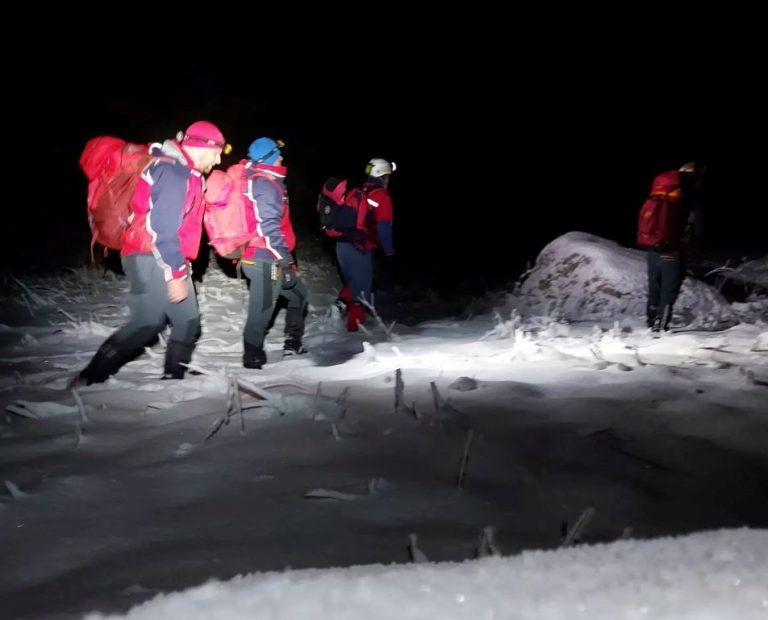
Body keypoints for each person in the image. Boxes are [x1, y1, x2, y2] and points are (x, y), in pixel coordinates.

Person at [73, 121, 228, 385]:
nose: (217, 160)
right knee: (147, 322)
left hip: (167, 258)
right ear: (200, 147)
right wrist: (176, 274)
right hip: (148, 257)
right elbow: (162, 230)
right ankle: (89, 377)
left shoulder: (186, 173)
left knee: (188, 322)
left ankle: (172, 380)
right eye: (215, 153)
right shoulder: (171, 172)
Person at [239, 137, 307, 368]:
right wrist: (285, 262)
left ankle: (292, 343)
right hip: (265, 259)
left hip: (268, 256)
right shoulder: (265, 184)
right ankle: (253, 358)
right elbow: (268, 228)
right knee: (262, 311)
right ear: (268, 157)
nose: (282, 156)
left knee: (298, 295)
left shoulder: (268, 180)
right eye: (278, 153)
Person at [639, 162, 701, 332]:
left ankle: (651, 322)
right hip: (671, 248)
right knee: (669, 289)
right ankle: (661, 324)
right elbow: (696, 227)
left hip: (652, 246)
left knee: (655, 286)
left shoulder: (661, 192)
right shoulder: (687, 196)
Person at [336, 158, 395, 332]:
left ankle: (338, 307)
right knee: (361, 294)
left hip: (342, 245)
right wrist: (389, 250)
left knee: (354, 283)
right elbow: (384, 226)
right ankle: (355, 336)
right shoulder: (381, 196)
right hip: (360, 248)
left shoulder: (358, 191)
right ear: (382, 176)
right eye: (387, 176)